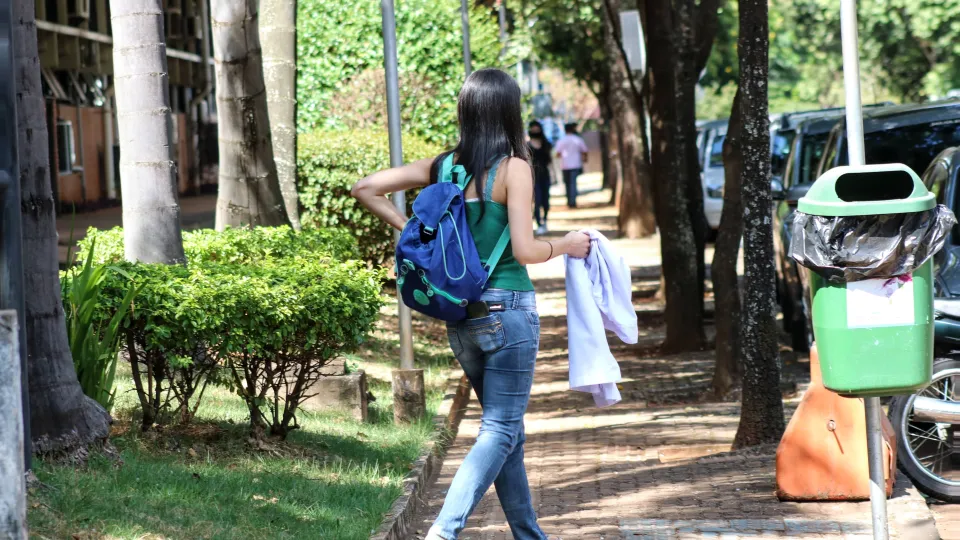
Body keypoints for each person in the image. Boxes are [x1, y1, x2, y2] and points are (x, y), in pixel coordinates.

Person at [351, 68, 591, 540]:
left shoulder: (444, 167)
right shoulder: (514, 169)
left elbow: (365, 187)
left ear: (466, 111)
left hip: (462, 319)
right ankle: (444, 530)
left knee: (508, 434)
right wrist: (567, 243)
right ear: (509, 112)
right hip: (509, 311)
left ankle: (529, 535)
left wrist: (418, 237)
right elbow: (526, 250)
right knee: (500, 429)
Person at [553, 123, 589, 208]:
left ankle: (570, 201)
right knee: (573, 183)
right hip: (575, 164)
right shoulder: (577, 139)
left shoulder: (561, 140)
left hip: (565, 165)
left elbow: (557, 154)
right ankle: (572, 201)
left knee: (567, 184)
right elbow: (585, 151)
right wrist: (584, 159)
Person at [527, 120, 553, 235]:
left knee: (546, 201)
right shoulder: (527, 146)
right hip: (533, 177)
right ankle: (539, 224)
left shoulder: (546, 144)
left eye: (537, 128)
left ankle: (545, 221)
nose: (535, 130)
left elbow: (551, 161)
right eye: (533, 128)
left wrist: (554, 175)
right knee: (537, 202)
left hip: (545, 175)